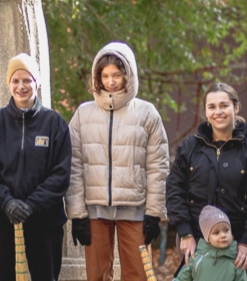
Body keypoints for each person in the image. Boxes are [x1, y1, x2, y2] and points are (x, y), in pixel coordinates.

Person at [65, 42, 170, 281]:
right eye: (105, 75)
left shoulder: (147, 113)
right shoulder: (83, 114)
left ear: (128, 75)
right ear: (97, 77)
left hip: (135, 208)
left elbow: (158, 167)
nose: (111, 81)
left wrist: (154, 213)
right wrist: (77, 214)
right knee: (97, 275)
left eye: (117, 75)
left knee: (138, 274)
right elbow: (74, 166)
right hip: (95, 209)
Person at [166, 82, 247, 281]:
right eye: (212, 107)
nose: (218, 112)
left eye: (224, 105)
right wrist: (184, 233)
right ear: (205, 111)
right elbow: (174, 190)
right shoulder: (190, 147)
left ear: (236, 107)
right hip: (195, 241)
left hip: (238, 244)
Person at [0, 53, 71, 281]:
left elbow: (61, 175)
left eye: (27, 80)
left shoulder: (54, 123)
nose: (21, 87)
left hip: (44, 223)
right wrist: (7, 202)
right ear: (9, 84)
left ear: (36, 83)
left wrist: (31, 205)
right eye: (15, 81)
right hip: (2, 222)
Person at [174, 205, 247, 281]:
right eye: (216, 232)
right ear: (207, 237)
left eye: (226, 230)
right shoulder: (196, 258)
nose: (223, 235)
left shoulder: (237, 260)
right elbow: (181, 278)